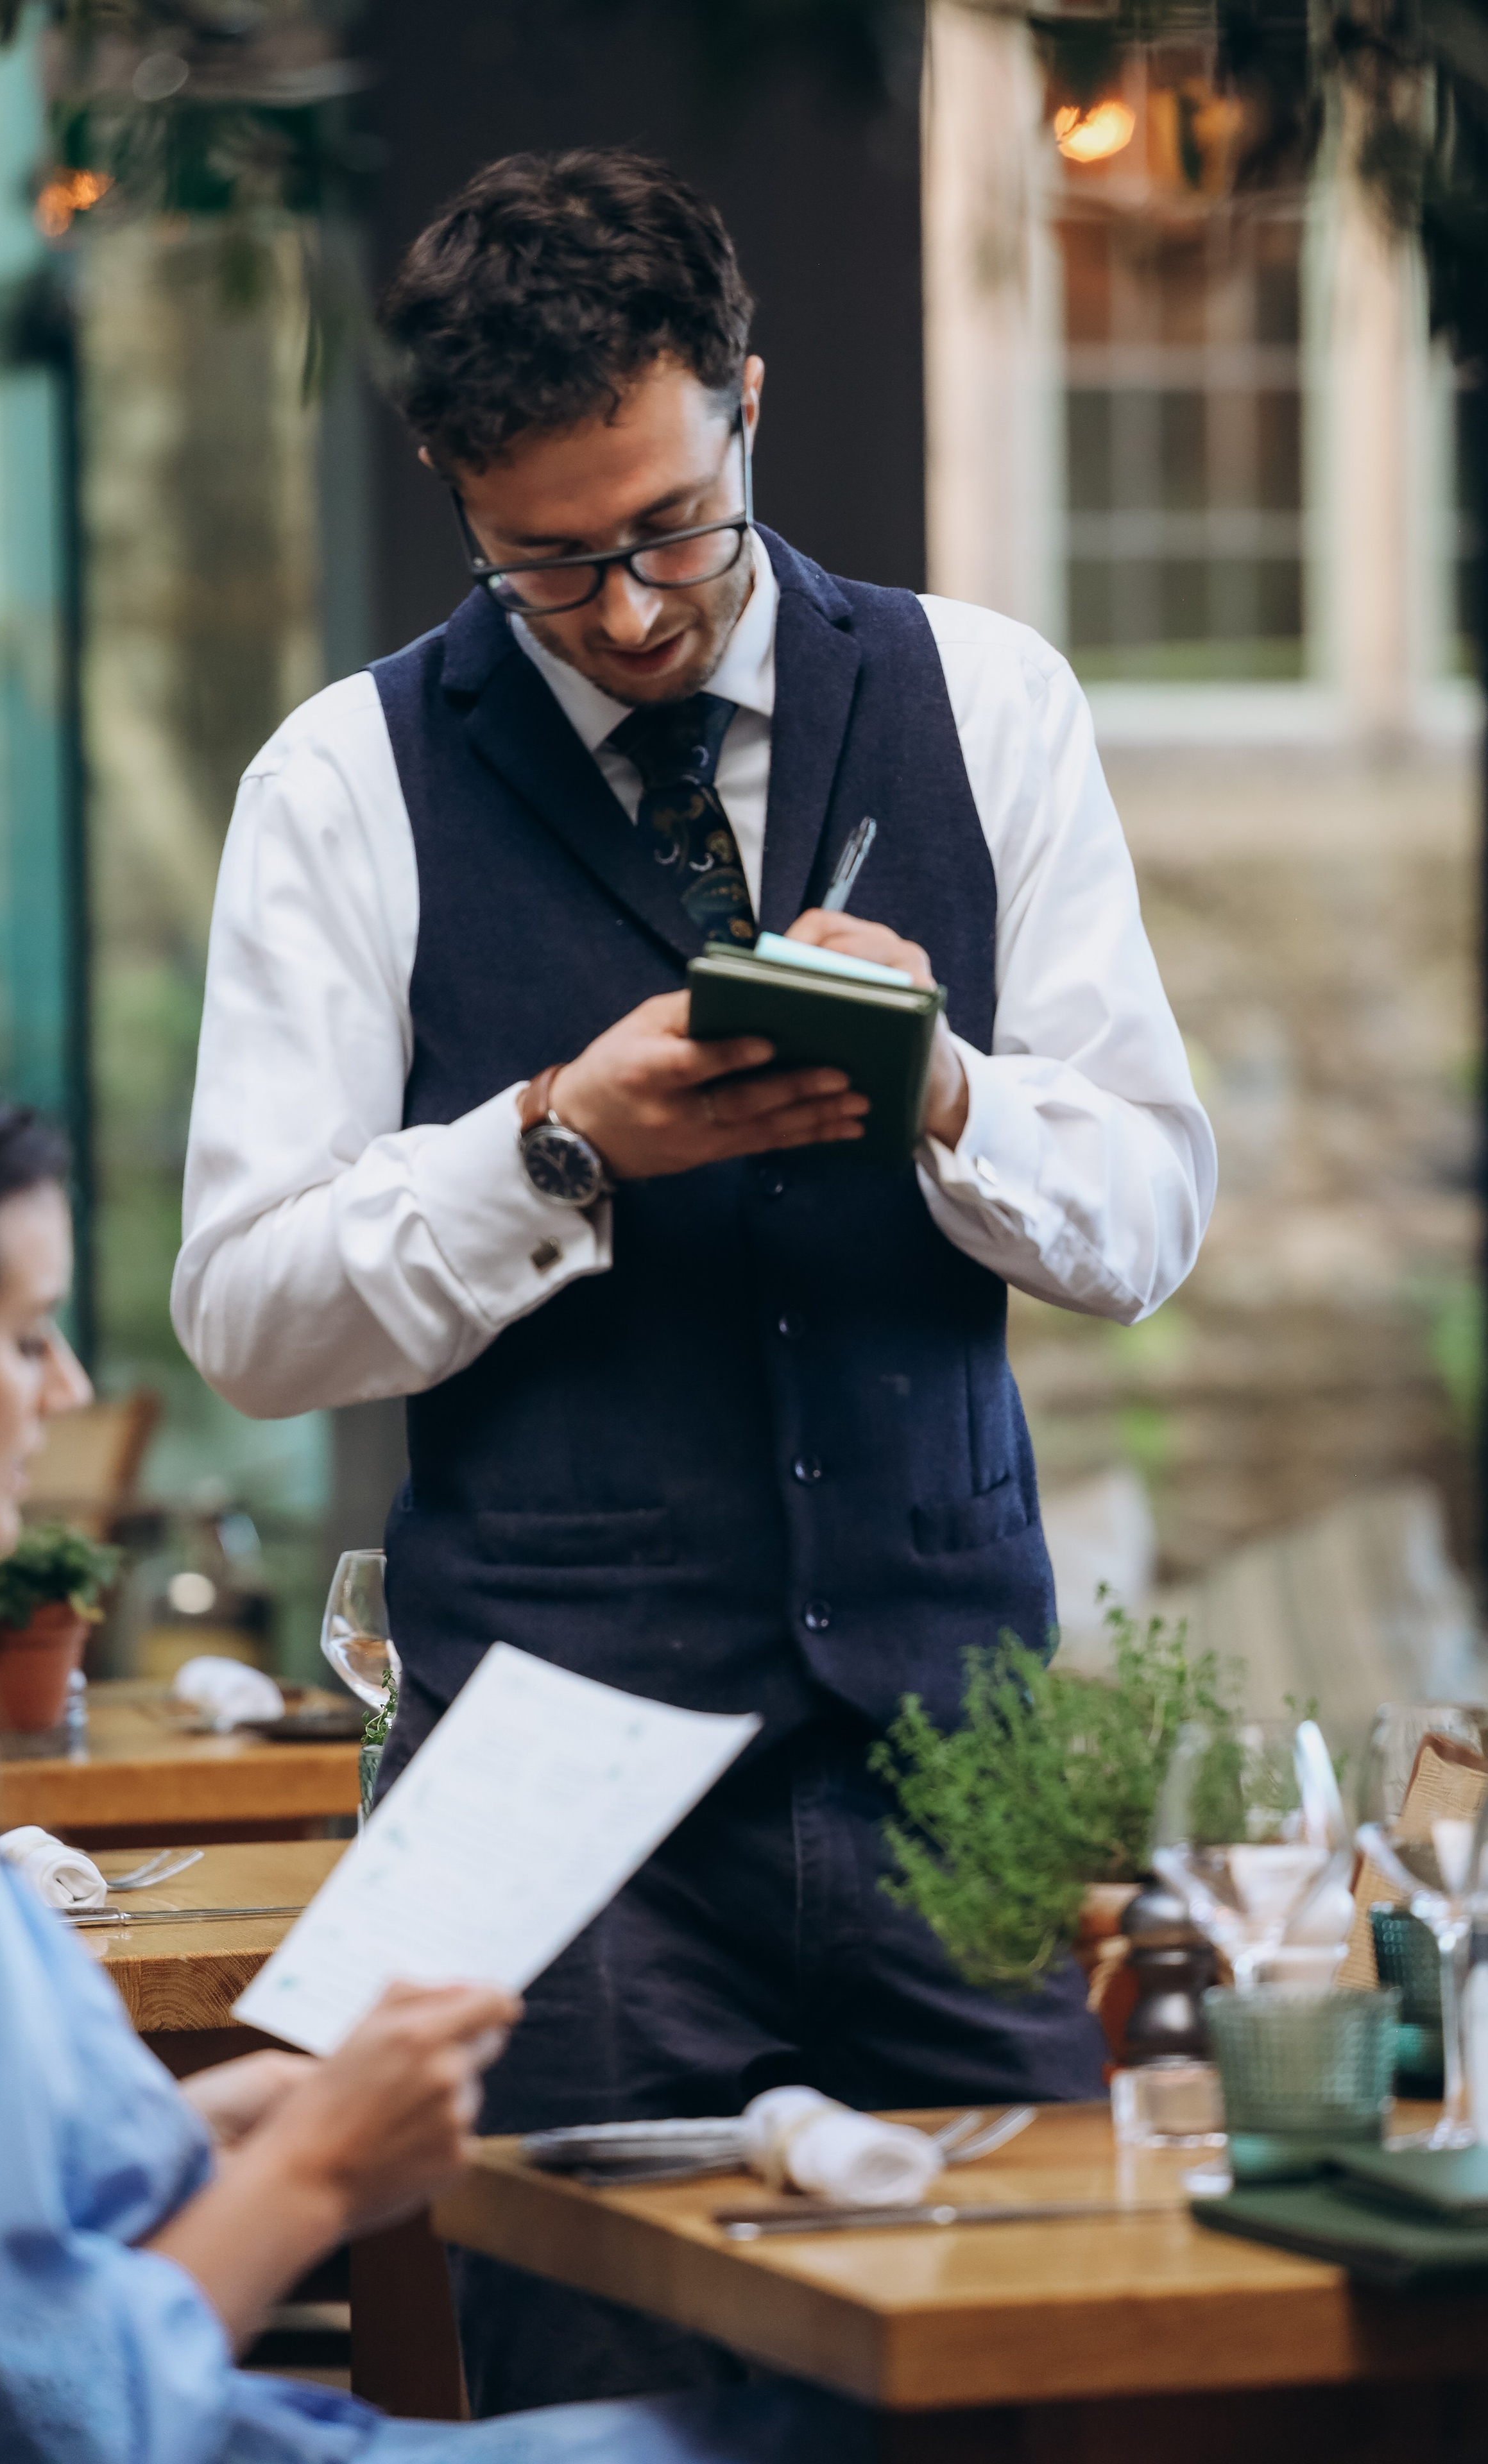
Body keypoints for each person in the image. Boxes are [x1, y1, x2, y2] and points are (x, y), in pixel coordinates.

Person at [172, 150, 1217, 2413]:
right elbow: (246, 1312)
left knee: (1074, 2391)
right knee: (612, 2426)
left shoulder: (991, 701)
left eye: (668, 529)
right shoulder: (341, 783)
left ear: (750, 402)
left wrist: (945, 1095)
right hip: (553, 1816)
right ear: (458, 490)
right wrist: (557, 1138)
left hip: (960, 1772)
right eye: (549, 563)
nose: (633, 610)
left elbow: (1149, 1214)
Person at [0, 1010, 870, 2464]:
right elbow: (25, 2420)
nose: (68, 1392)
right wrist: (323, 2169)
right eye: (23, 1334)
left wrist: (219, 2133)